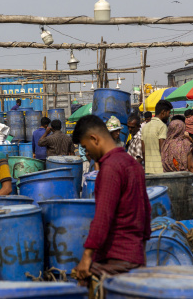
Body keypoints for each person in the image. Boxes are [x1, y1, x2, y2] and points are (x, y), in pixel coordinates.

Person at [72, 115, 151, 284]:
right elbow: (146, 212)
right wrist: (141, 255)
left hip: (115, 258)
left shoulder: (110, 168)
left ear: (94, 139)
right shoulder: (133, 164)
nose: (89, 154)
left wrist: (86, 258)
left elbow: (102, 217)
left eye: (86, 147)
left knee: (81, 282)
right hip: (135, 257)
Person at [141, 100, 173, 174]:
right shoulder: (162, 126)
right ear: (163, 112)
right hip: (160, 170)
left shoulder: (145, 127)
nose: (169, 115)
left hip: (148, 170)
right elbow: (163, 149)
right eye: (169, 112)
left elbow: (143, 151)